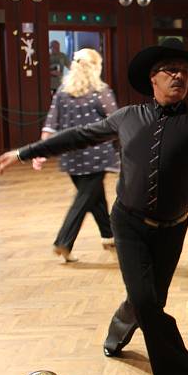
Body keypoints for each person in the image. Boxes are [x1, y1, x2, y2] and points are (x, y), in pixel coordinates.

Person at [0, 39, 188, 375]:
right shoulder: (126, 117)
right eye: (171, 70)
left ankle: (117, 333)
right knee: (147, 300)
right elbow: (76, 137)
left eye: (184, 72)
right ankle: (176, 374)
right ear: (152, 78)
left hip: (173, 229)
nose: (179, 77)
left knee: (150, 301)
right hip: (128, 224)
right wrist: (23, 152)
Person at [34, 48, 119, 262]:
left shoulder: (62, 92)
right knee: (84, 198)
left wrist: (40, 153)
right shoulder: (101, 91)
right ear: (95, 67)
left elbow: (50, 125)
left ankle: (109, 236)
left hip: (71, 156)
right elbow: (116, 121)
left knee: (94, 196)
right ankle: (63, 241)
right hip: (97, 155)